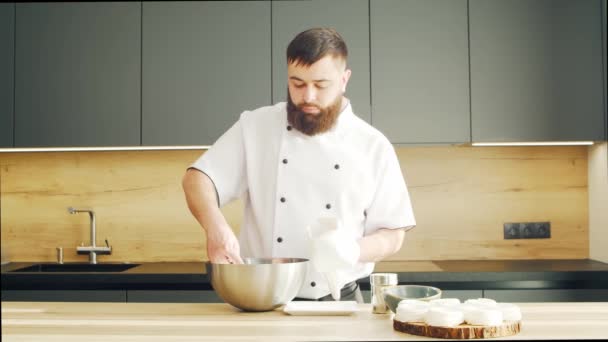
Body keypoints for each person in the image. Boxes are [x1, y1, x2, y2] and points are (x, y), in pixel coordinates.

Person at [182, 27, 416, 302]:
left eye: (320, 85)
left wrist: (352, 251)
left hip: (339, 302)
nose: (308, 97)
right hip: (263, 299)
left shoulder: (373, 145)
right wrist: (215, 227)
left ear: (344, 80)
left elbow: (392, 234)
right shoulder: (256, 127)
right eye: (297, 83)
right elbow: (197, 179)